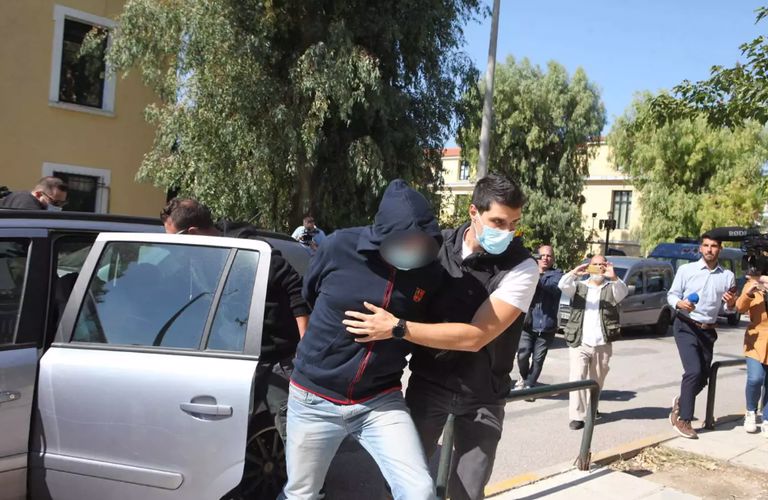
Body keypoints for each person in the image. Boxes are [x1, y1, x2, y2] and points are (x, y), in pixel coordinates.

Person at [343, 174, 539, 500]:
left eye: (514, 224)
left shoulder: (522, 267)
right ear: (473, 212)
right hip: (429, 383)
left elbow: (476, 336)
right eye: (498, 222)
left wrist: (397, 327)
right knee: (402, 483)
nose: (506, 232)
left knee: (466, 491)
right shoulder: (437, 247)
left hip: (483, 395)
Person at [280, 180, 443, 500]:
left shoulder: (429, 272)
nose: (413, 248)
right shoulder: (339, 246)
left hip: (379, 400)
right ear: (383, 233)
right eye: (404, 240)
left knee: (420, 490)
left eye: (421, 242)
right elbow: (310, 292)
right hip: (314, 397)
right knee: (302, 493)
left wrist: (395, 328)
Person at [160, 198, 310, 440]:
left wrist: (305, 346)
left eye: (176, 239)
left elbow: (296, 290)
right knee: (230, 433)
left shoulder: (250, 251)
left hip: (278, 361)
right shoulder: (199, 258)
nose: (176, 247)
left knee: (294, 436)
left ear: (193, 232)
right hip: (237, 360)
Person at [667, 233, 737, 439]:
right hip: (685, 325)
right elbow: (672, 294)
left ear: (720, 249)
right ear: (700, 248)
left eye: (714, 246)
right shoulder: (686, 270)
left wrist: (731, 304)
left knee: (703, 377)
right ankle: (684, 419)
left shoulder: (727, 276)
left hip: (708, 330)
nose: (709, 249)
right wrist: (679, 303)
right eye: (706, 245)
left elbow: (728, 309)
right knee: (693, 371)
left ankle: (681, 401)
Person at [558, 255, 628, 430]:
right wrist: (574, 273)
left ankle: (592, 407)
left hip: (602, 342)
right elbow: (563, 285)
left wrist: (614, 276)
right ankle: (577, 416)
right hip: (579, 341)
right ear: (589, 266)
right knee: (577, 378)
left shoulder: (612, 287)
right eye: (595, 264)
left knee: (597, 380)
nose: (598, 268)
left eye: (601, 265)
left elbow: (622, 293)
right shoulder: (579, 286)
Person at [516, 244, 564, 393]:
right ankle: (525, 379)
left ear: (553, 259)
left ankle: (529, 386)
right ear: (536, 257)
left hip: (546, 325)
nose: (545, 258)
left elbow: (552, 287)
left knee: (538, 359)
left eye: (549, 256)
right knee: (522, 354)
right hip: (527, 324)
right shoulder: (528, 271)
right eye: (542, 255)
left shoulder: (557, 275)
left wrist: (533, 274)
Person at [734, 274, 768, 435]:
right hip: (756, 340)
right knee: (755, 378)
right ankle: (750, 411)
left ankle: (767, 418)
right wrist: (749, 293)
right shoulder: (751, 284)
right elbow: (739, 307)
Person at [0, 176, 68, 211]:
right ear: (38, 194)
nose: (59, 207)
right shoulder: (29, 207)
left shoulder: (19, 196)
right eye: (55, 202)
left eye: (62, 203)